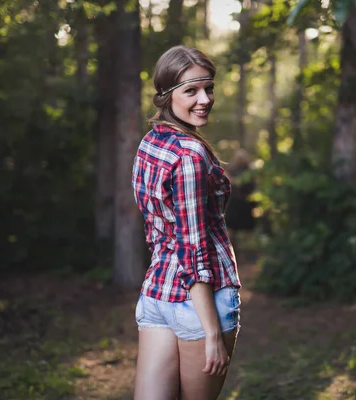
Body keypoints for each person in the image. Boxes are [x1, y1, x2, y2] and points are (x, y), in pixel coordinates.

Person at [131, 45, 242, 400]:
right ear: (166, 95)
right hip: (199, 304)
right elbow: (193, 248)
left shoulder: (150, 142)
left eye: (208, 88)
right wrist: (213, 334)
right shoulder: (190, 155)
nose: (205, 99)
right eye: (191, 90)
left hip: (157, 291)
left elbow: (157, 229)